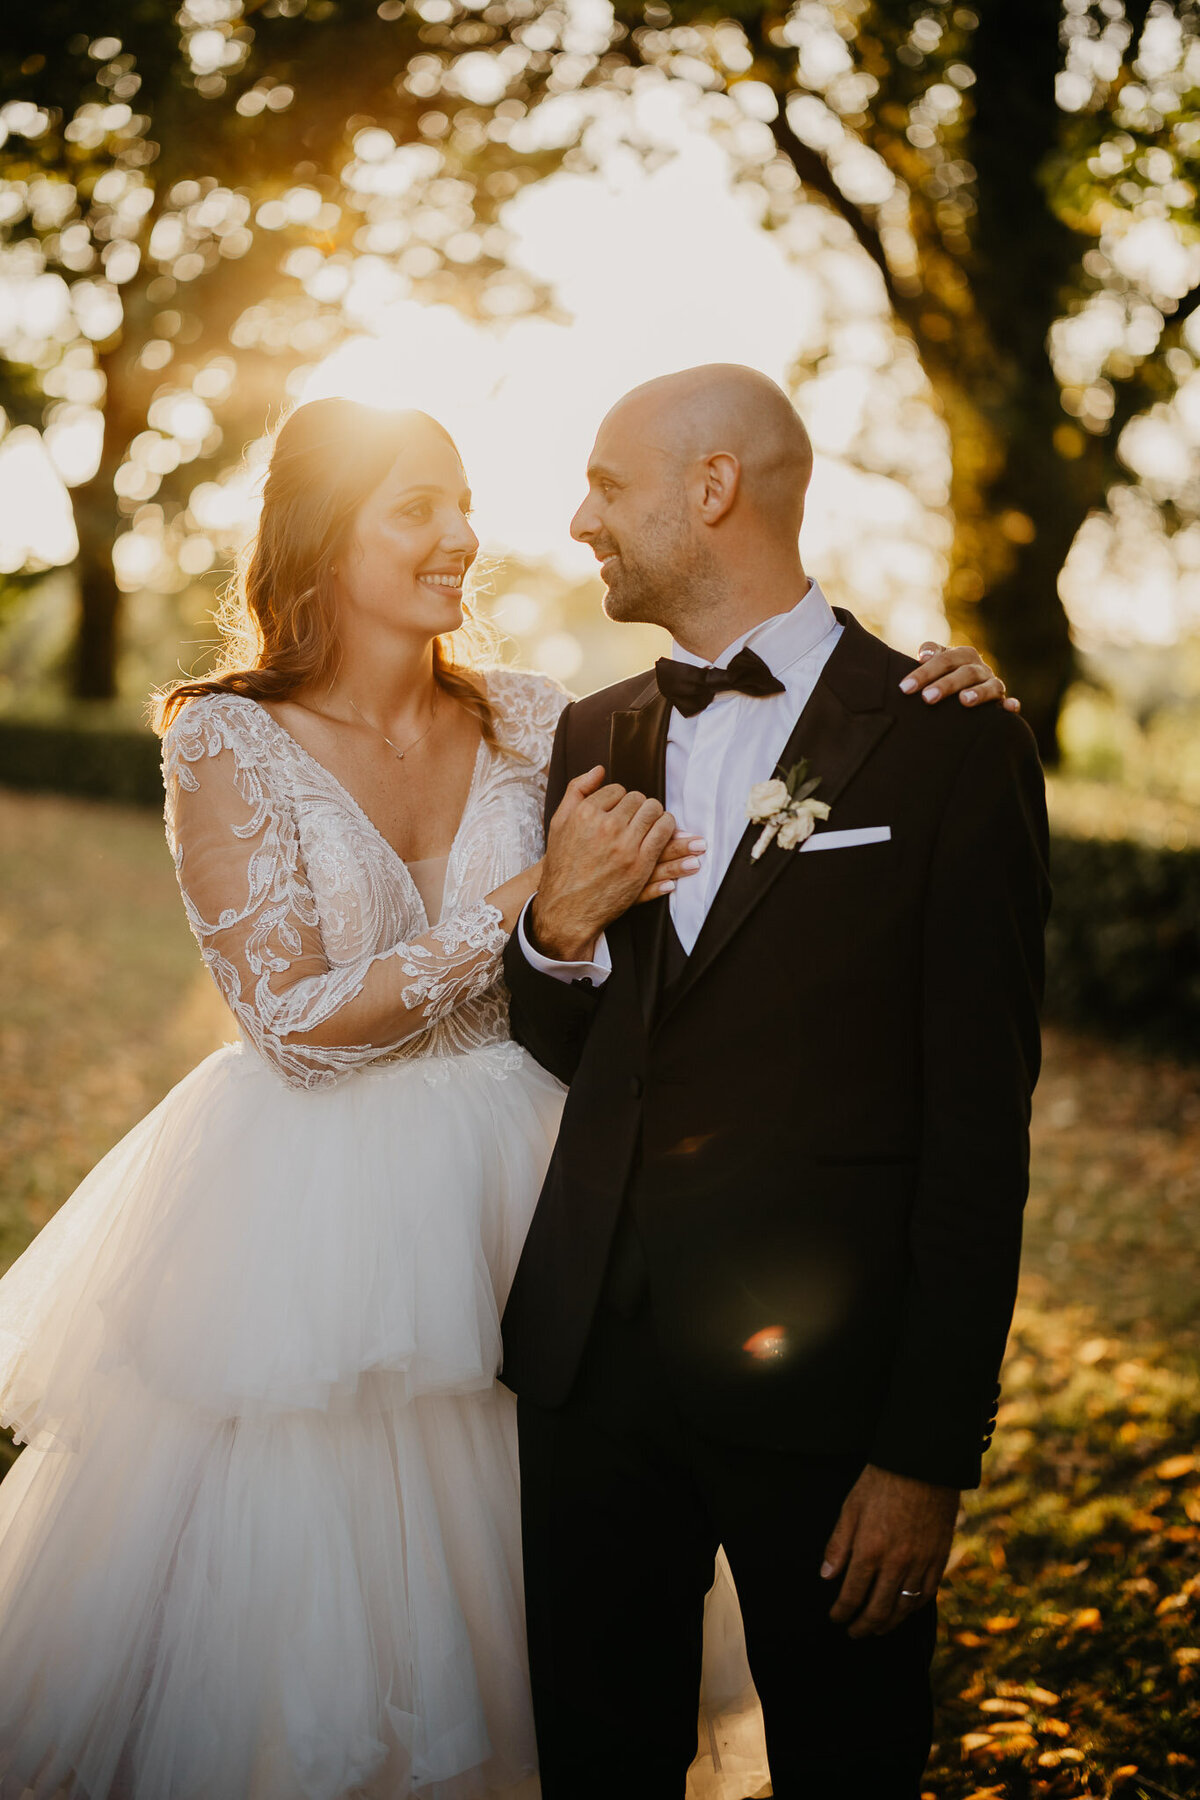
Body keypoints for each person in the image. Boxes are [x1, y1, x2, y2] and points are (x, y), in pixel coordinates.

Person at [0, 394, 1014, 1800]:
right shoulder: (225, 741)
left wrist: (940, 685)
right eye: (417, 507)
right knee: (324, 1635)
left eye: (463, 501)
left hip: (538, 1215)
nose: (464, 537)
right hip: (315, 1238)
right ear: (320, 531)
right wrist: (529, 905)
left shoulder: (554, 721)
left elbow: (724, 876)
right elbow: (295, 1023)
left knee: (538, 1650)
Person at [501, 365, 1051, 1800]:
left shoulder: (947, 739)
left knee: (849, 1765)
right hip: (591, 1378)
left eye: (607, 488)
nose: (578, 522)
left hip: (833, 1401)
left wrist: (928, 1452)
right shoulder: (590, 734)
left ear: (714, 487)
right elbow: (580, 1050)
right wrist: (555, 931)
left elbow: (978, 1129)